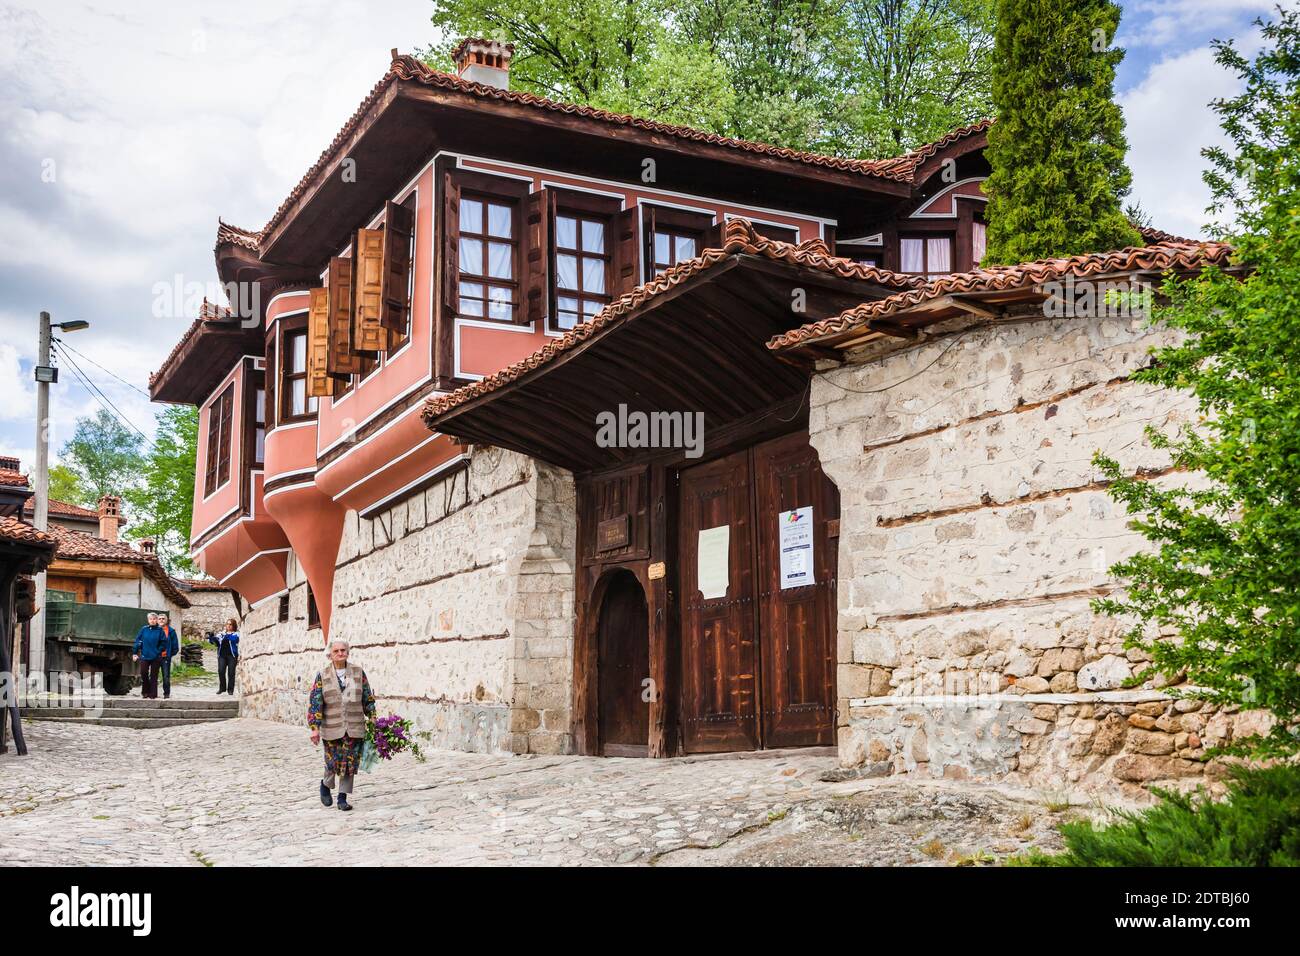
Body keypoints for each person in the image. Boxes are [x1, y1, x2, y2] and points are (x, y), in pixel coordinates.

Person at [307, 638, 375, 812]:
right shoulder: (323, 675)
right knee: (332, 762)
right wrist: (314, 728)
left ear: (348, 652)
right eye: (336, 651)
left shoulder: (358, 672)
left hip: (354, 726)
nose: (340, 653)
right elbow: (315, 702)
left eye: (343, 650)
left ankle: (342, 798)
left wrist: (373, 718)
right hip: (331, 727)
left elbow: (367, 698)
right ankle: (325, 785)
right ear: (330, 655)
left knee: (349, 763)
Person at [131, 613, 165, 699]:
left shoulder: (160, 630)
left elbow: (163, 643)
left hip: (156, 657)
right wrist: (135, 653)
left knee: (154, 675)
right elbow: (138, 640)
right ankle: (145, 692)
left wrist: (158, 651)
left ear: (156, 620)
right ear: (148, 620)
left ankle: (153, 694)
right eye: (150, 619)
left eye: (154, 619)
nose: (152, 620)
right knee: (143, 673)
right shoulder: (144, 629)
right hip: (145, 656)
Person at [207, 618, 240, 695]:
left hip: (232, 656)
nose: (228, 626)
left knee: (231, 673)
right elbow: (215, 643)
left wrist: (223, 636)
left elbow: (234, 639)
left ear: (234, 625)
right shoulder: (221, 634)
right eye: (227, 624)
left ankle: (230, 690)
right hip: (222, 655)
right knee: (221, 671)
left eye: (230, 624)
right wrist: (212, 638)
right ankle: (222, 688)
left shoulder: (237, 634)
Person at [157, 612, 180, 699]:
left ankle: (166, 694)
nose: (161, 620)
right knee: (153, 676)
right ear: (157, 621)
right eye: (160, 619)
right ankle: (152, 693)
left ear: (166, 620)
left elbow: (175, 646)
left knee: (166, 676)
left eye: (163, 619)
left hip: (165, 657)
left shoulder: (171, 631)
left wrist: (169, 654)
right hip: (155, 657)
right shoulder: (154, 630)